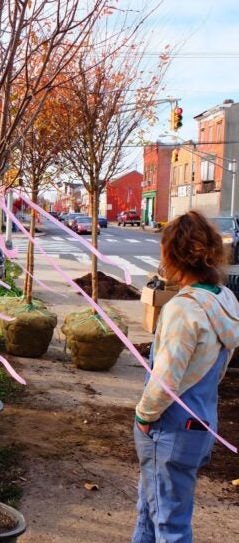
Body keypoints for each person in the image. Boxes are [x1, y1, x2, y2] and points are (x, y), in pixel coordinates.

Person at [132, 210, 239, 543]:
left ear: (172, 254)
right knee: (150, 511)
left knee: (169, 525)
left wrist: (143, 416)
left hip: (171, 428)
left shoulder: (184, 308)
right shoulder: (225, 299)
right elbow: (215, 366)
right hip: (202, 421)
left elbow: (167, 377)